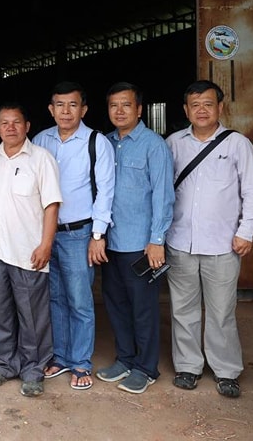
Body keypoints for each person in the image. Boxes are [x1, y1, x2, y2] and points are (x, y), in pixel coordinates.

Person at [165, 80, 253, 398]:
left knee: (221, 311)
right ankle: (188, 366)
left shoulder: (237, 144)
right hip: (180, 241)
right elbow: (161, 190)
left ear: (220, 107)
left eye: (208, 104)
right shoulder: (173, 143)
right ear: (186, 110)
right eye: (195, 105)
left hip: (223, 244)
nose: (202, 110)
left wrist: (246, 231)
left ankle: (226, 371)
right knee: (183, 309)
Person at [32, 81, 115, 390]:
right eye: (60, 105)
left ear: (84, 109)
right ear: (51, 109)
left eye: (72, 105)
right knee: (54, 298)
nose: (66, 111)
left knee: (79, 300)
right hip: (46, 234)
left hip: (79, 234)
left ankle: (81, 362)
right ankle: (61, 357)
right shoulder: (41, 140)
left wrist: (98, 235)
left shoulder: (96, 142)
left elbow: (105, 191)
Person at [95, 82, 174, 394]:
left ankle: (146, 367)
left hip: (140, 244)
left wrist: (157, 240)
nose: (119, 111)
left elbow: (163, 196)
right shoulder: (104, 143)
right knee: (115, 305)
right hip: (110, 242)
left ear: (139, 109)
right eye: (113, 105)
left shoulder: (154, 145)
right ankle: (125, 359)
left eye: (126, 105)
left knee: (143, 309)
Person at [0, 102, 62, 397]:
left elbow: (52, 205)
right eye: (4, 123)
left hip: (29, 251)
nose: (10, 128)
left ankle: (33, 369)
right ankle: (5, 365)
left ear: (27, 126)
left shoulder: (41, 159)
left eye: (16, 122)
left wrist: (46, 244)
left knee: (32, 315)